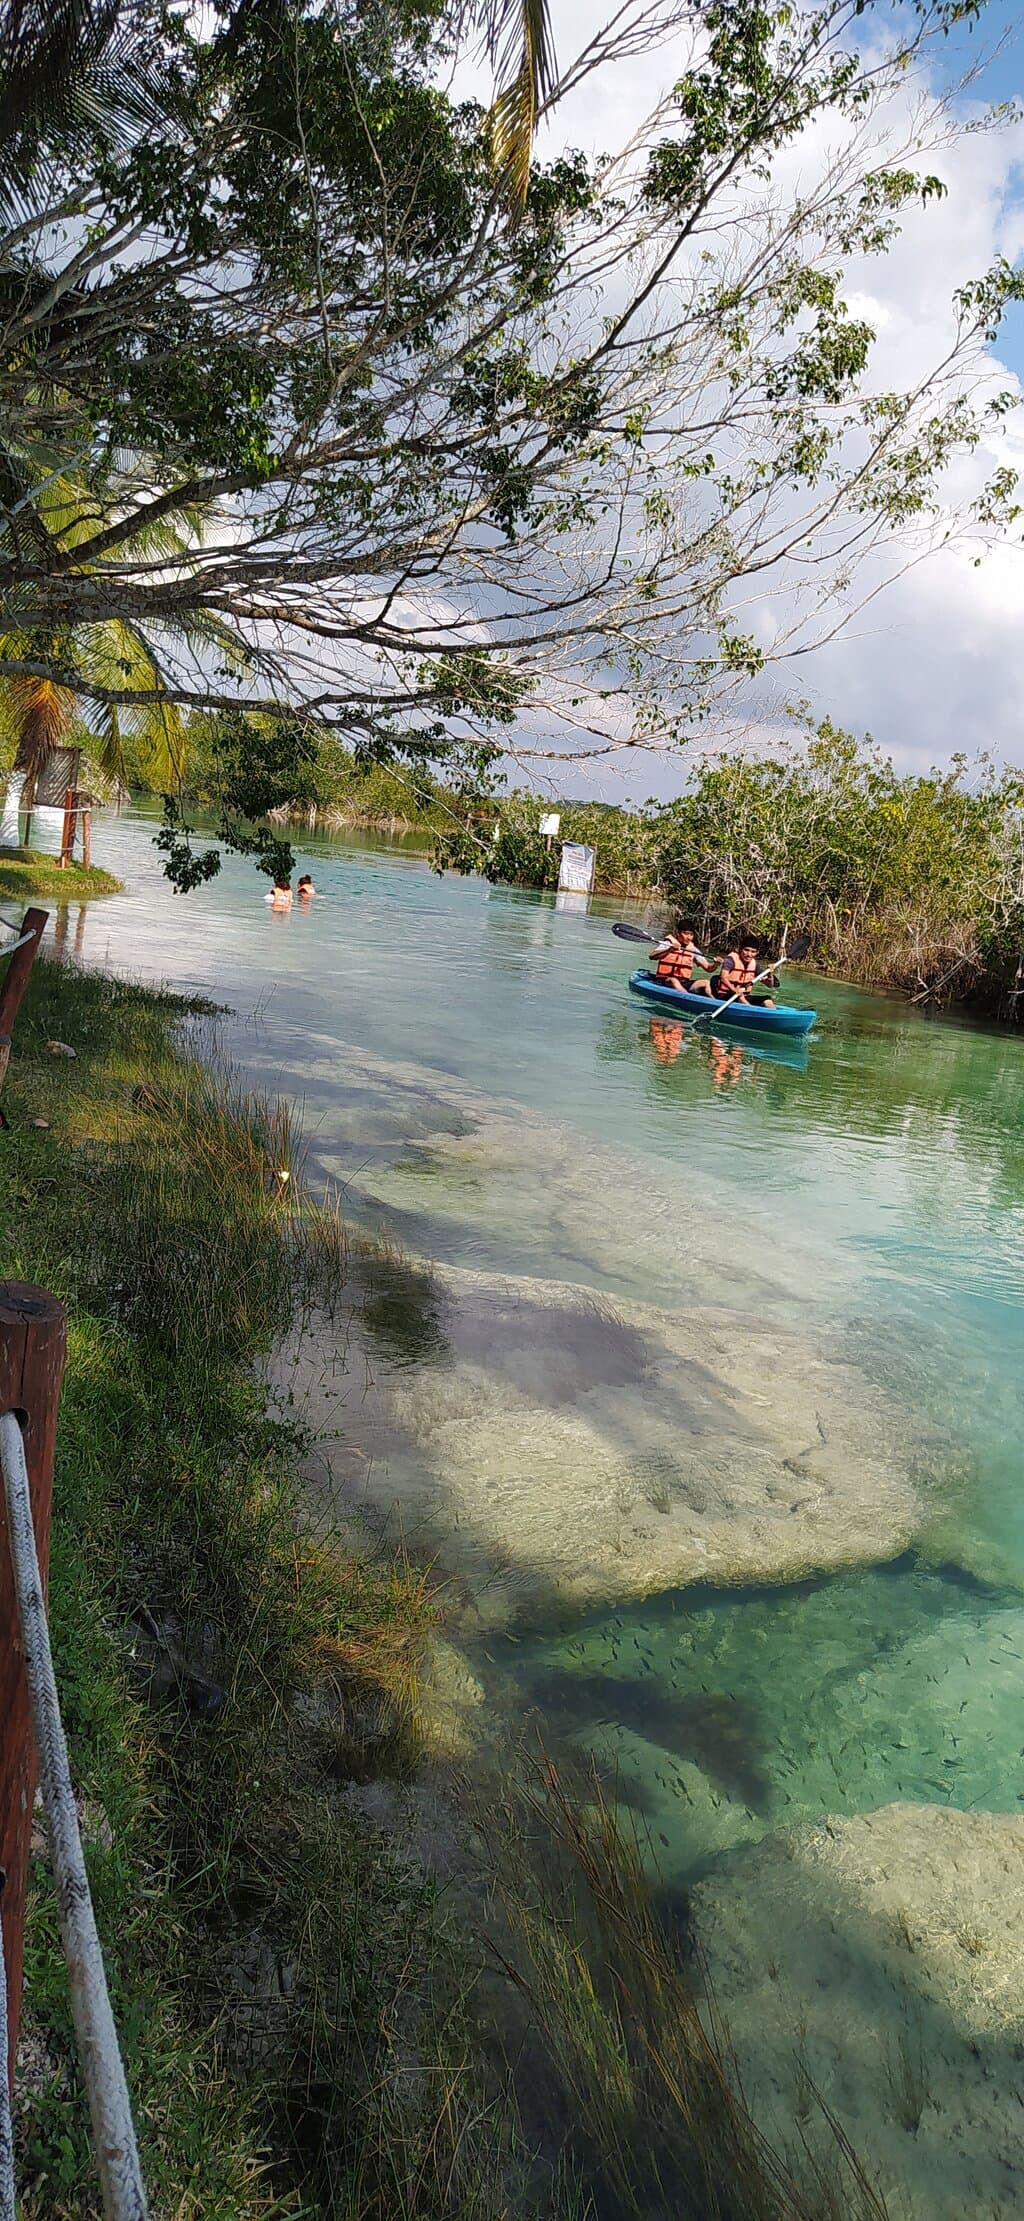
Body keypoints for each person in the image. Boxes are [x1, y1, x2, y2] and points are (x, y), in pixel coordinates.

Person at [691, 934, 774, 1006]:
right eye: (746, 950)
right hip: (724, 996)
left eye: (753, 952)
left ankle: (772, 1016)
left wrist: (770, 973)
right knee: (740, 997)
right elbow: (723, 978)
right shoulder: (730, 960)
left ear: (757, 953)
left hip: (743, 996)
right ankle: (754, 1015)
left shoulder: (755, 965)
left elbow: (769, 985)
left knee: (767, 1000)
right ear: (741, 949)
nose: (749, 954)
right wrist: (735, 990)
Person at [648, 920, 711, 991]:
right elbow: (652, 956)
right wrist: (669, 950)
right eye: (686, 934)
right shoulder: (668, 944)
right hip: (664, 980)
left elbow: (708, 968)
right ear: (678, 933)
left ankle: (713, 1001)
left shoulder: (693, 949)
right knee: (674, 980)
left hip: (683, 983)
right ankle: (686, 997)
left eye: (691, 934)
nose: (689, 937)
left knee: (706, 983)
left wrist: (716, 964)